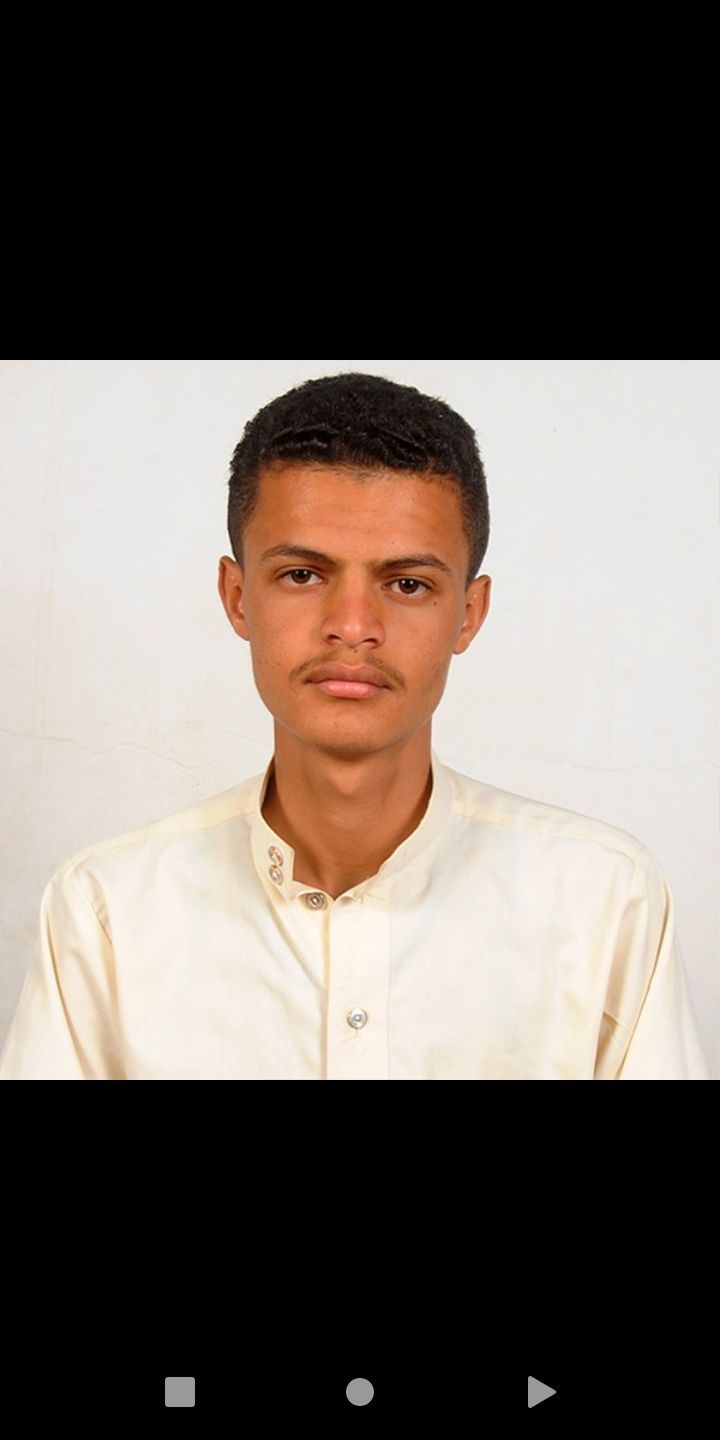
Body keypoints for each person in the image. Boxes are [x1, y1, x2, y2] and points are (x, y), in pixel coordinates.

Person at [0, 373, 710, 1079]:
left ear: (469, 613)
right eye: (303, 575)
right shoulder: (108, 913)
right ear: (237, 596)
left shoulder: (601, 902)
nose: (352, 626)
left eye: (408, 584)